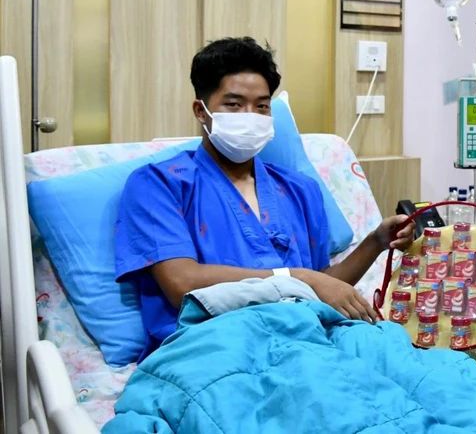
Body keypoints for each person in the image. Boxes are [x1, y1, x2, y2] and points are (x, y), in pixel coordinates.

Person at [114, 37, 415, 358]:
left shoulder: (299, 189)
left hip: (308, 335)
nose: (250, 116)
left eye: (261, 106)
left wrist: (376, 242)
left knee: (416, 367)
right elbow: (181, 284)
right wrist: (294, 278)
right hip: (214, 345)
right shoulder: (159, 185)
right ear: (201, 111)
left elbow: (323, 285)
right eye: (234, 104)